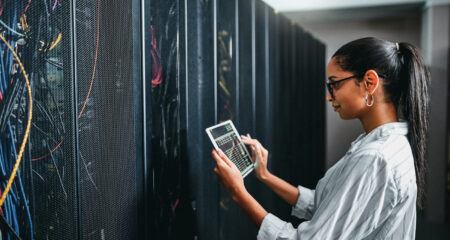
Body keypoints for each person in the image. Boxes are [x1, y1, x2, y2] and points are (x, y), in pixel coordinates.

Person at [211, 37, 430, 239]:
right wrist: (265, 175)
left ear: (369, 83)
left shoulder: (375, 158)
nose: (328, 96)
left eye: (335, 84)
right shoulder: (383, 144)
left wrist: (238, 192)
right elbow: (324, 205)